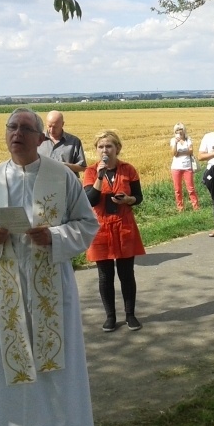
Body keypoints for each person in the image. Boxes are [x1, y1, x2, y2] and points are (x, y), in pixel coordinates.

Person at [0, 108, 99, 426]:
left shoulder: (62, 176)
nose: (17, 133)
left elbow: (87, 223)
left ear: (41, 138)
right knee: (14, 366)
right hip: (8, 288)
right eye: (12, 127)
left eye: (26, 128)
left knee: (58, 366)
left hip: (51, 287)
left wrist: (54, 237)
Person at [84, 130, 146, 332]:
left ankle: (130, 315)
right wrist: (100, 177)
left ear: (117, 148)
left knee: (127, 273)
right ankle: (110, 316)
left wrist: (128, 200)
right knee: (105, 275)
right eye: (101, 147)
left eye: (108, 146)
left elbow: (138, 197)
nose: (105, 150)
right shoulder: (92, 171)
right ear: (96, 150)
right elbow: (90, 199)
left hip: (123, 224)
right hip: (101, 227)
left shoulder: (128, 169)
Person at [37, 110, 87, 176]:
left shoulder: (74, 141)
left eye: (55, 127)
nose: (51, 130)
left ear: (62, 124)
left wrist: (65, 166)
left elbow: (82, 167)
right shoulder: (37, 139)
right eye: (49, 126)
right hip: (41, 181)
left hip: (66, 183)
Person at [170, 123, 199, 212]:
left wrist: (181, 152)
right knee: (177, 189)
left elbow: (191, 151)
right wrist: (175, 143)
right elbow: (174, 153)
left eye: (181, 130)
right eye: (177, 130)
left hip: (187, 167)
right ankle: (180, 208)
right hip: (176, 167)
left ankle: (196, 207)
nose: (179, 132)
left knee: (191, 188)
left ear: (184, 131)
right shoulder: (173, 140)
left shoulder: (188, 139)